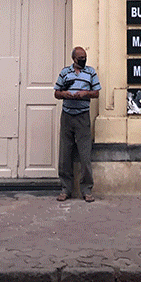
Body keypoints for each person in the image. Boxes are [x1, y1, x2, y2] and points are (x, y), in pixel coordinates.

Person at [54, 45, 100, 202]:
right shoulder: (65, 72)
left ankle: (87, 190)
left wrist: (85, 93)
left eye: (84, 57)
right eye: (80, 58)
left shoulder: (90, 72)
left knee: (85, 155)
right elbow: (56, 93)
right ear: (73, 59)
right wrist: (64, 94)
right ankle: (65, 189)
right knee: (65, 155)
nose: (83, 60)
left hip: (82, 116)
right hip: (67, 115)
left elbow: (96, 92)